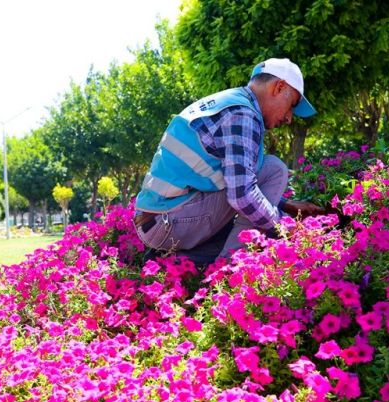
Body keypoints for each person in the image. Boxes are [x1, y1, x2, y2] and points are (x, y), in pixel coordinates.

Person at [134, 57, 325, 263]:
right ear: (278, 87)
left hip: (156, 220)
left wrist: (284, 204)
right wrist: (286, 227)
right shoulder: (243, 114)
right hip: (168, 222)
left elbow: (227, 179)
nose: (289, 117)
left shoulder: (230, 102)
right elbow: (242, 195)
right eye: (292, 105)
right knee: (273, 169)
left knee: (252, 226)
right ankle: (227, 270)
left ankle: (176, 260)